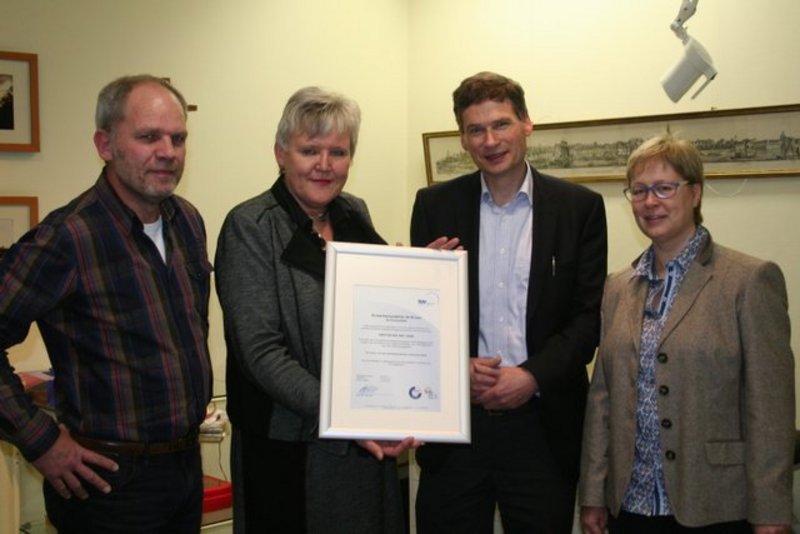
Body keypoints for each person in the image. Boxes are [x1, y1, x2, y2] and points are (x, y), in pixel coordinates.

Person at [0, 75, 213, 533]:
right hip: (108, 482)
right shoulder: (67, 238)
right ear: (105, 145)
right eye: (148, 137)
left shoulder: (187, 222)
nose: (168, 152)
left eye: (178, 138)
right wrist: (41, 441)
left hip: (184, 469)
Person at [410, 71, 608, 533]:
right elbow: (421, 318)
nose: (490, 140)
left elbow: (588, 319)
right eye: (476, 129)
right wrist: (455, 367)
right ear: (462, 138)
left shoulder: (579, 208)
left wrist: (531, 375)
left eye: (501, 124)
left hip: (543, 429)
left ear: (526, 124)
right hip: (455, 429)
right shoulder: (434, 205)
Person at [216, 86, 417, 534]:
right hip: (289, 445)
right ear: (280, 154)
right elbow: (261, 352)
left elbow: (372, 315)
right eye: (310, 150)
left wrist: (421, 279)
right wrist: (345, 415)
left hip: (362, 440)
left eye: (338, 152)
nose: (324, 165)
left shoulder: (353, 213)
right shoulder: (251, 225)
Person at [579, 134, 795, 534]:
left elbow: (770, 409)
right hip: (631, 503)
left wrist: (772, 511)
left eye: (664, 188)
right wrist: (593, 492)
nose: (650, 202)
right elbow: (602, 399)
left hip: (717, 504)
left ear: (694, 193)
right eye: (639, 191)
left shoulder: (748, 280)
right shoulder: (617, 286)